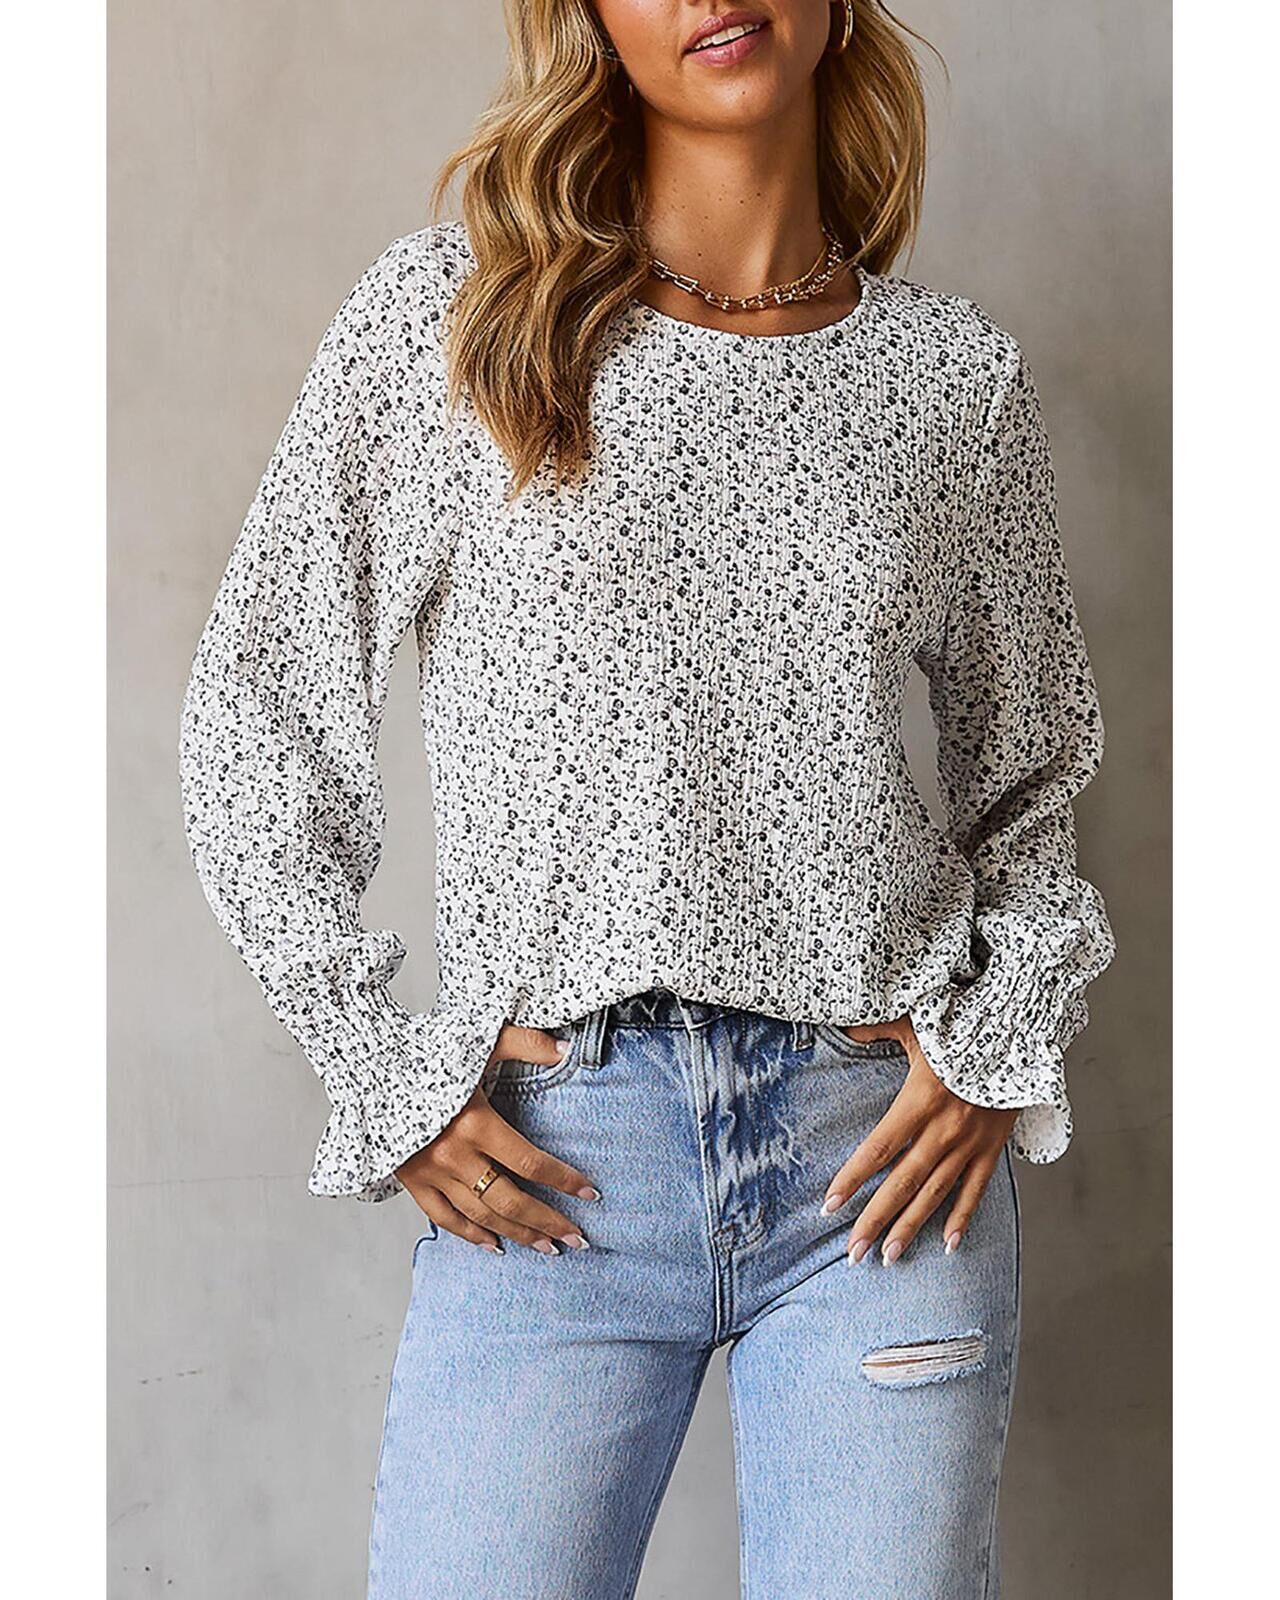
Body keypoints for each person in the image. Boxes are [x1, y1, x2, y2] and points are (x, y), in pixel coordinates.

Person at [178, 2, 1116, 1595]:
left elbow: (1029, 782)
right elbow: (256, 714)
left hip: (875, 1175)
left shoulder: (952, 382)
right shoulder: (452, 321)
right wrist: (386, 1070)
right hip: (559, 1163)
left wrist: (993, 1044)